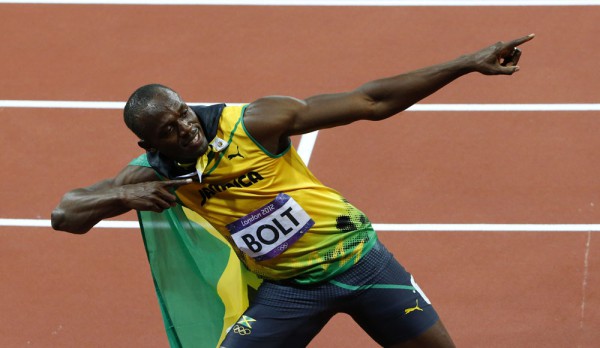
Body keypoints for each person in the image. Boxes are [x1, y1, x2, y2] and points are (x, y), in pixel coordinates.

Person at [51, 34, 534, 348]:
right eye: (168, 130)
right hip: (288, 291)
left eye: (183, 113)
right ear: (148, 142)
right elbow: (64, 214)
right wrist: (119, 198)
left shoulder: (255, 122)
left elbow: (371, 101)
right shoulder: (152, 173)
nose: (185, 129)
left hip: (362, 261)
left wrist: (468, 63)